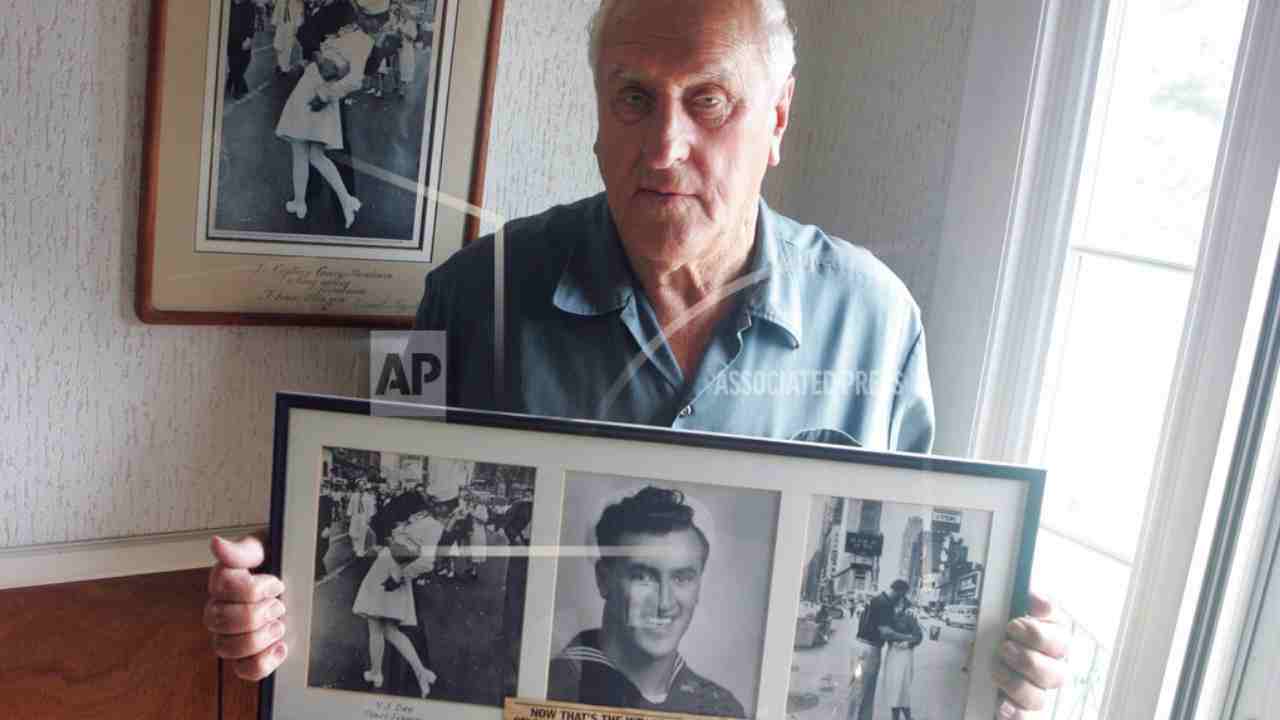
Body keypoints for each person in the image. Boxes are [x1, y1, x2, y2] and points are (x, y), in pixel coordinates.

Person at [204, 2, 1068, 715]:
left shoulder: (882, 319)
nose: (662, 148)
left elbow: (913, 578)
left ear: (778, 116)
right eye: (632, 98)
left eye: (709, 101)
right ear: (596, 113)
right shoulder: (460, 296)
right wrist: (271, 614)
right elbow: (364, 499)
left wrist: (1011, 662)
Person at [547, 486, 744, 718]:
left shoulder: (722, 709)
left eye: (681, 578)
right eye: (643, 577)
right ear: (603, 579)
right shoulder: (549, 688)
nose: (664, 603)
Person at [351, 494, 437, 697]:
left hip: (386, 570)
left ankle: (377, 673)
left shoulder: (411, 526)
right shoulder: (423, 526)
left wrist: (390, 543)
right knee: (390, 629)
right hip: (396, 572)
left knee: (375, 626)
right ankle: (420, 671)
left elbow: (412, 553)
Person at [275, 43, 362, 225]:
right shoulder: (352, 37)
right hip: (321, 89)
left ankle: (303, 203)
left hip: (314, 89)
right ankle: (343, 200)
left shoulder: (341, 34)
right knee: (315, 156)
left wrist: (317, 56)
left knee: (302, 154)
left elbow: (332, 68)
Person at [852, 580, 913, 720]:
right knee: (862, 692)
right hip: (870, 650)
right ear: (899, 591)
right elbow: (886, 632)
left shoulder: (877, 599)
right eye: (903, 594)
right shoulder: (885, 604)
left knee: (860, 690)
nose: (902, 598)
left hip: (861, 646)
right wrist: (908, 637)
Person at [881, 597, 923, 720]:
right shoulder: (888, 618)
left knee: (902, 688)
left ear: (904, 605)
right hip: (892, 654)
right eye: (896, 603)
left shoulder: (910, 618)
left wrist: (908, 643)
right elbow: (884, 635)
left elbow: (918, 636)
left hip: (904, 655)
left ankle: (907, 718)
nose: (898, 606)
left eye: (900, 603)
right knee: (893, 688)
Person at [226, 0, 257, 99]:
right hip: (231, 39)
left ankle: (231, 79)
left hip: (244, 39)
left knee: (245, 61)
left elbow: (251, 23)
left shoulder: (249, 5)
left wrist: (249, 38)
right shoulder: (229, 4)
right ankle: (238, 88)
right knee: (233, 62)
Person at [271, 0, 304, 74]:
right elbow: (276, 12)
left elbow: (299, 15)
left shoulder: (297, 2)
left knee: (287, 48)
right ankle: (280, 64)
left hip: (290, 26)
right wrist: (274, 23)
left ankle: (285, 68)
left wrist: (296, 27)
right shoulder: (280, 1)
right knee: (278, 46)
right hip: (280, 25)